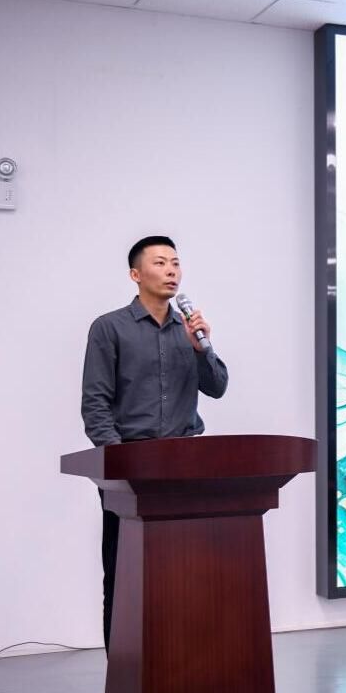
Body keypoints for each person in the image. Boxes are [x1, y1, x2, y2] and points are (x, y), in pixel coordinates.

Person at [80, 236, 228, 652]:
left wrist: (201, 349)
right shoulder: (110, 328)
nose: (171, 271)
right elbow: (95, 403)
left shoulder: (189, 330)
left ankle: (179, 662)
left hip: (184, 466)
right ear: (135, 274)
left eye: (175, 263)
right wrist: (121, 465)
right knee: (124, 573)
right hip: (131, 466)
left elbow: (217, 386)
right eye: (160, 263)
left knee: (184, 572)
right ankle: (122, 671)